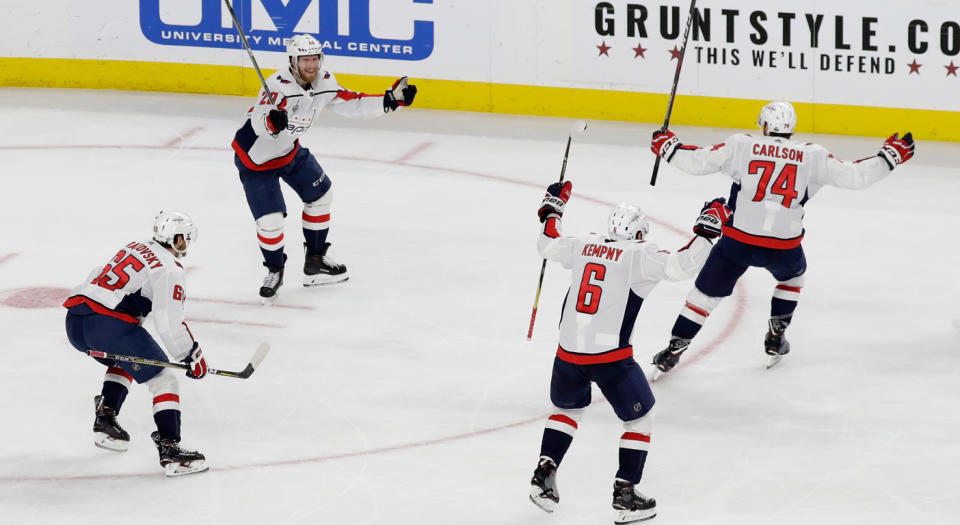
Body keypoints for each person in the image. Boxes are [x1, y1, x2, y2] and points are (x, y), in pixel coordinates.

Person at [649, 101, 915, 373]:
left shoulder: (742, 145)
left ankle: (673, 350)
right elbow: (855, 176)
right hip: (783, 246)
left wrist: (668, 147)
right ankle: (776, 335)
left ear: (764, 125)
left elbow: (699, 161)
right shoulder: (813, 156)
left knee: (703, 297)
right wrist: (888, 158)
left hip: (738, 242)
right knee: (792, 278)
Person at [527, 180, 730, 523]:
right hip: (610, 358)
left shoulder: (584, 244)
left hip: (568, 352)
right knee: (639, 417)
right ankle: (625, 494)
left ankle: (544, 472)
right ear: (639, 234)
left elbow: (547, 243)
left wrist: (552, 209)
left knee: (567, 411)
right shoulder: (640, 254)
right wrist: (708, 230)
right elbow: (681, 266)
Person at [232, 33, 418, 302]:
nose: (311, 65)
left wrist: (391, 100)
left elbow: (351, 101)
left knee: (321, 195)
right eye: (305, 59)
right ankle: (274, 271)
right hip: (256, 159)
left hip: (289, 150)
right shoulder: (277, 86)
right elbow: (259, 121)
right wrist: (272, 122)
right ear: (293, 61)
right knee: (270, 222)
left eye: (315, 58)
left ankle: (315, 262)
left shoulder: (324, 81)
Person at [63, 210, 209, 477]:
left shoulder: (135, 246)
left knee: (127, 358)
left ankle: (106, 417)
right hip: (107, 325)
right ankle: (171, 450)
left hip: (75, 320)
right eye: (185, 238)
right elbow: (169, 322)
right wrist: (191, 354)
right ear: (175, 239)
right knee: (164, 380)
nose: (186, 244)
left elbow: (97, 273)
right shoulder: (169, 268)